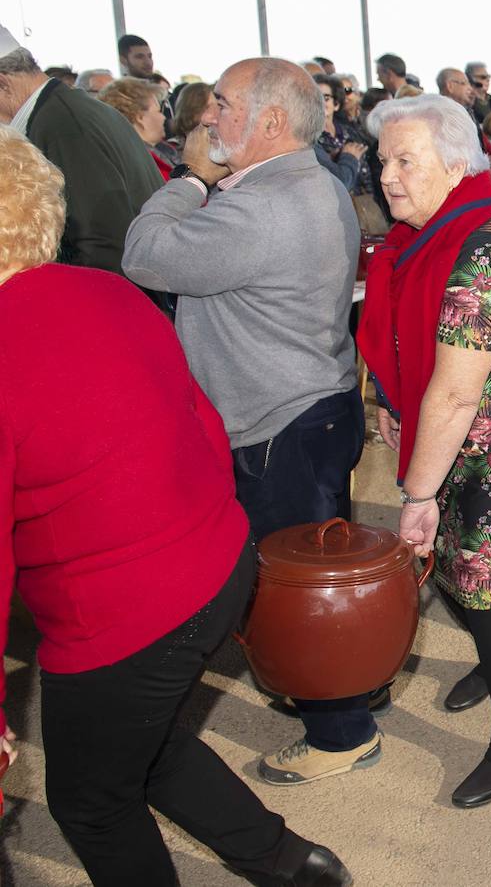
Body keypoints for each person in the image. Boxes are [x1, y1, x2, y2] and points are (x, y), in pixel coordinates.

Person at [0, 126, 351, 887]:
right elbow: (200, 417)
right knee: (142, 741)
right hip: (215, 565)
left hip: (122, 614)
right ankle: (290, 861)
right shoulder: (107, 289)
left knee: (91, 798)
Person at [122, 57, 372, 783]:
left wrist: (193, 180)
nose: (207, 118)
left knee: (297, 591)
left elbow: (146, 255)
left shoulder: (258, 204)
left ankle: (341, 732)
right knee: (320, 572)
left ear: (267, 120)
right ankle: (346, 689)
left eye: (222, 104)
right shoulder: (315, 182)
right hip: (313, 404)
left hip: (276, 424)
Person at [357, 94, 491, 807]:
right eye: (383, 159)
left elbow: (454, 396)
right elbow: (414, 348)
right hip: (456, 431)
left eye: (405, 160)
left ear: (458, 164)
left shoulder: (485, 246)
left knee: (485, 583)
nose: (388, 175)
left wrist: (417, 492)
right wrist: (397, 410)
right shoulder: (427, 233)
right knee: (456, 565)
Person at [0, 27, 166, 307]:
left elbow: (99, 243)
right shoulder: (65, 109)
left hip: (114, 308)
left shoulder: (62, 125)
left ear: (3, 84)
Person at [98, 76, 178, 179]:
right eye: (158, 111)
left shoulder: (163, 152)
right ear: (139, 117)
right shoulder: (136, 167)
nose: (163, 117)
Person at [313, 73, 368, 192]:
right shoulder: (310, 140)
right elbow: (338, 184)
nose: (320, 103)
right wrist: (348, 157)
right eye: (315, 98)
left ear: (336, 104)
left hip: (365, 205)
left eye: (326, 98)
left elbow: (368, 176)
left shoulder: (351, 133)